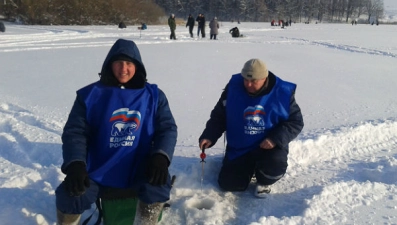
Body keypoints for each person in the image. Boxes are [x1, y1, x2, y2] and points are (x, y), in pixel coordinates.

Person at [55, 38, 178, 224]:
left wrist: (161, 156)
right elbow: (75, 132)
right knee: (70, 194)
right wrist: (76, 164)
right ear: (109, 65)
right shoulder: (90, 95)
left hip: (138, 164)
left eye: (129, 63)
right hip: (97, 167)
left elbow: (167, 128)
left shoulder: (153, 96)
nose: (123, 69)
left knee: (158, 185)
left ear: (137, 66)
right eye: (118, 63)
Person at [199, 59, 303, 198]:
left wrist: (275, 139)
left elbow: (295, 122)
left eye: (254, 81)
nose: (248, 84)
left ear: (264, 78)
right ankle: (245, 168)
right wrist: (209, 136)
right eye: (246, 80)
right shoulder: (233, 89)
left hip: (268, 147)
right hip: (240, 146)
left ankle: (262, 178)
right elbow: (219, 116)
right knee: (230, 185)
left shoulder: (282, 93)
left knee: (273, 171)